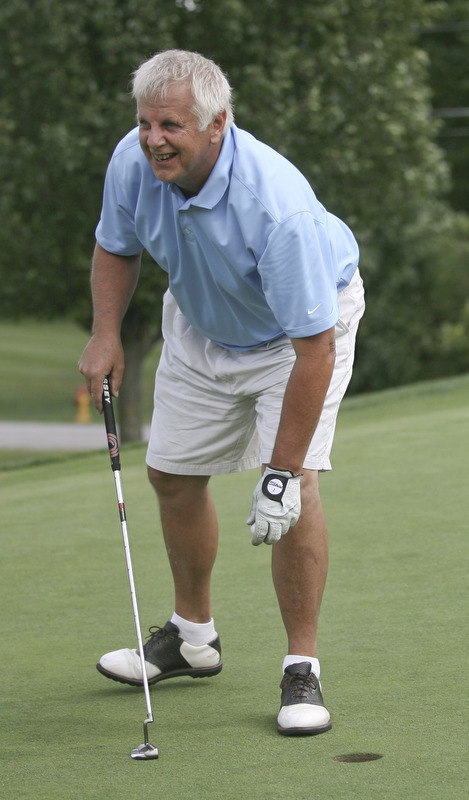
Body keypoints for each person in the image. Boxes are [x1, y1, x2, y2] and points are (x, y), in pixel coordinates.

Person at [79, 49, 365, 737]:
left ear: (217, 125)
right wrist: (106, 334)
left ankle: (302, 667)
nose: (153, 140)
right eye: (145, 122)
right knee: (171, 474)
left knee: (295, 490)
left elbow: (312, 350)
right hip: (203, 324)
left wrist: (277, 473)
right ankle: (191, 637)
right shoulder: (133, 159)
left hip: (295, 337)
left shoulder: (277, 208)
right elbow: (116, 246)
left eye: (170, 125)